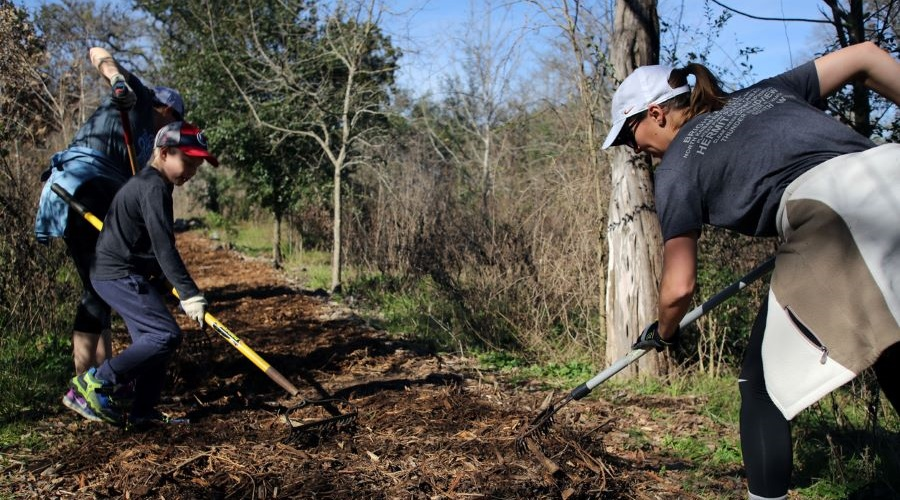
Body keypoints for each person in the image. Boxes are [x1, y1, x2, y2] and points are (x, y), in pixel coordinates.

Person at [602, 41, 900, 500]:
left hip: (836, 218)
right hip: (889, 169)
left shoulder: (678, 168)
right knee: (893, 347)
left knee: (761, 386)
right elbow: (865, 56)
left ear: (656, 114)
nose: (635, 148)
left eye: (629, 134)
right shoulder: (765, 91)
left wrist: (664, 333)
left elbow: (678, 289)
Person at [34, 47, 184, 422]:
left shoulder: (150, 142)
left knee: (99, 289)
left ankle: (97, 385)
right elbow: (98, 52)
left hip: (101, 191)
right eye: (175, 119)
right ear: (166, 109)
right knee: (101, 285)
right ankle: (89, 387)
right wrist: (117, 80)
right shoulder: (140, 98)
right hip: (85, 185)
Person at [68, 120, 219, 428]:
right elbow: (165, 248)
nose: (192, 171)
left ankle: (143, 413)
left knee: (152, 346)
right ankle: (95, 383)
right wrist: (190, 294)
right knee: (165, 335)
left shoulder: (154, 184)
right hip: (118, 274)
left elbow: (146, 246)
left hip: (123, 271)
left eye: (197, 165)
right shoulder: (152, 187)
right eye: (188, 162)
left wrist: (161, 279)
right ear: (164, 153)